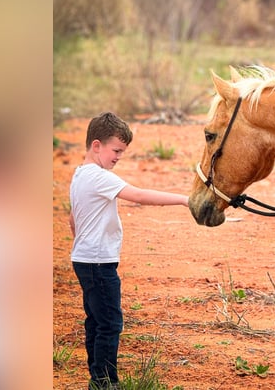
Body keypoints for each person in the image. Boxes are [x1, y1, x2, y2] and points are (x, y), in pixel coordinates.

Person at [69, 112, 189, 389]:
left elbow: (73, 219)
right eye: (116, 150)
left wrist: (84, 247)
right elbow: (139, 195)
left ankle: (98, 377)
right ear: (96, 145)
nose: (119, 157)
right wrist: (184, 200)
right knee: (110, 323)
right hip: (98, 263)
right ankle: (104, 381)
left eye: (122, 152)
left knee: (96, 322)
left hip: (85, 259)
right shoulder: (99, 178)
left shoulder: (79, 176)